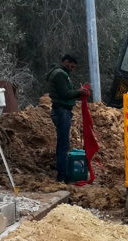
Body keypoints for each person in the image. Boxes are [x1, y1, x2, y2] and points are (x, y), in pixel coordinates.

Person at [47, 54, 89, 183]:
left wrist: (78, 93)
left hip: (62, 111)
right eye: (71, 66)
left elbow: (67, 94)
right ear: (65, 62)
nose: (72, 68)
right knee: (63, 145)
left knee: (63, 144)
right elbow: (64, 94)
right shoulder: (60, 74)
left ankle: (63, 173)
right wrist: (79, 92)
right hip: (61, 111)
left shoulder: (61, 73)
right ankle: (62, 176)